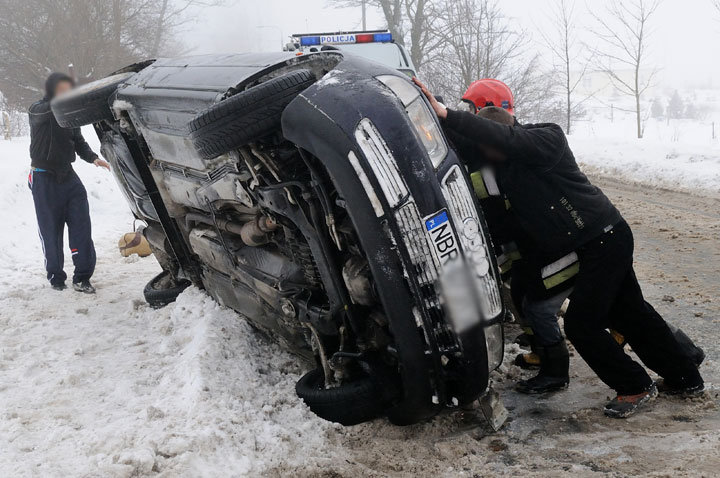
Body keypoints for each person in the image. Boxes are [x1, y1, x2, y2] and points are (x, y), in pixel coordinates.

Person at [414, 77, 704, 418]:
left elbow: (503, 138)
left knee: (583, 324)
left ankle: (634, 386)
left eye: (492, 147)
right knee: (630, 312)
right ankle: (685, 377)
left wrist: (447, 113)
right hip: (587, 244)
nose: (487, 156)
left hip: (605, 236)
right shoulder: (500, 160)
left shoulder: (545, 138)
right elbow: (465, 145)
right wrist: (425, 120)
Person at [448, 79, 576, 394]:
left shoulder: (519, 145)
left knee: (546, 303)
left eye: (471, 109)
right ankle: (542, 351)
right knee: (523, 293)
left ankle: (556, 369)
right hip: (526, 244)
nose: (467, 114)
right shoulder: (485, 146)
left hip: (556, 243)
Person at [28, 72, 110, 293]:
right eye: (61, 90)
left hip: (68, 176)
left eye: (68, 90)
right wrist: (65, 101)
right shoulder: (38, 110)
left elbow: (78, 141)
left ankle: (82, 277)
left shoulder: (69, 115)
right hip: (43, 177)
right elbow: (47, 109)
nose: (65, 94)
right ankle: (56, 276)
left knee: (81, 225)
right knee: (50, 230)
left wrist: (93, 158)